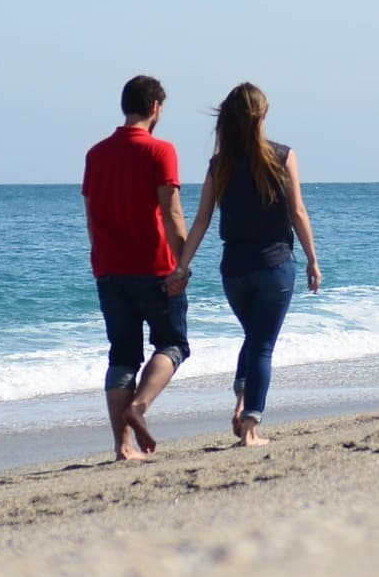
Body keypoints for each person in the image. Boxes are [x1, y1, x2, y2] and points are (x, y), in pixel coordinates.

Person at [176, 83, 323, 447]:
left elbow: (201, 221)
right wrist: (312, 260)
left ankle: (242, 401)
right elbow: (298, 212)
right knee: (261, 345)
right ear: (263, 115)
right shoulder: (283, 155)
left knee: (254, 337)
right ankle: (251, 428)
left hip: (234, 270)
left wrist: (182, 264)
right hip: (275, 265)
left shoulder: (219, 164)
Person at [82, 75, 190, 462]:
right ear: (156, 108)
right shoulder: (161, 151)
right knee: (173, 344)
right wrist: (183, 262)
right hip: (155, 267)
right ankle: (140, 406)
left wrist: (100, 258)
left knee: (122, 356)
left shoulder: (96, 154)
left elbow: (91, 214)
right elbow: (172, 211)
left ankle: (122, 447)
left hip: (109, 268)